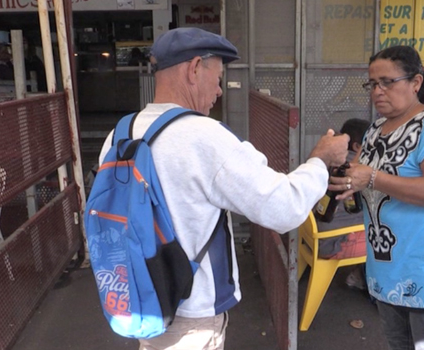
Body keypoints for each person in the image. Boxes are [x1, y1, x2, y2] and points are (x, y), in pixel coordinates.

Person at [97, 27, 350, 350]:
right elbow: (283, 207)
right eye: (217, 78)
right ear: (194, 69)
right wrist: (320, 159)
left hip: (140, 295)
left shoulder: (120, 133)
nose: (218, 91)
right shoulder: (204, 136)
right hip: (192, 316)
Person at [332, 45, 424, 349]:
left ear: (416, 82)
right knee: (397, 344)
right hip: (387, 266)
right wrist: (351, 182)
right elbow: (363, 174)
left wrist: (373, 178)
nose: (377, 91)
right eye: (372, 83)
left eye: (387, 82)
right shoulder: (376, 128)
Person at [316, 118, 370, 290]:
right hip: (333, 243)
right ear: (356, 147)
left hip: (312, 236)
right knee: (392, 241)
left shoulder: (325, 160)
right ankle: (361, 278)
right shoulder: (357, 170)